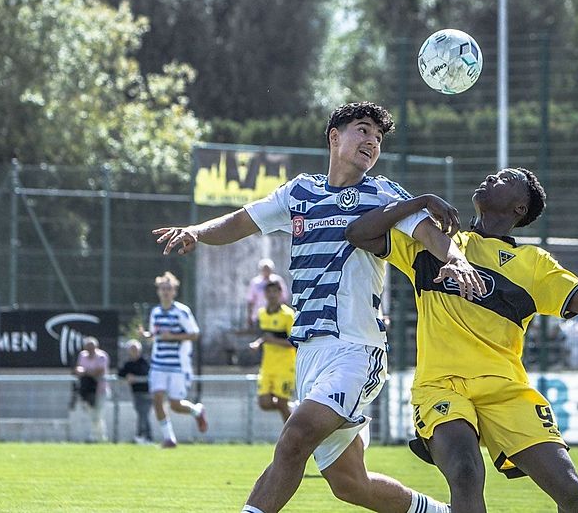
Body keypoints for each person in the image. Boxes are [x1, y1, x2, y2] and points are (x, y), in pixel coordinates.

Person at [154, 101, 485, 513]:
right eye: (363, 130)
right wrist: (196, 232)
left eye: (378, 138)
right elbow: (242, 220)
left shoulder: (380, 193)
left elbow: (427, 232)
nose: (372, 142)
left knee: (295, 438)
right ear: (334, 136)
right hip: (308, 353)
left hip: (356, 350)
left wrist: (456, 258)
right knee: (350, 484)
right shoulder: (300, 192)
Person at [347, 167, 578, 513]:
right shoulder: (436, 241)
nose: (491, 178)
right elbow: (358, 233)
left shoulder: (534, 264)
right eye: (495, 175)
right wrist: (419, 202)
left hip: (506, 390)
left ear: (519, 209)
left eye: (506, 179)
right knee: (466, 473)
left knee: (572, 494)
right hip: (441, 386)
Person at [146, 271, 208, 448]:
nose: (165, 292)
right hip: (158, 363)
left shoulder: (182, 311)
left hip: (177, 365)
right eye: (162, 289)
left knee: (175, 405)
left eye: (169, 289)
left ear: (174, 291)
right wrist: (148, 335)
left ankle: (197, 410)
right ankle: (169, 438)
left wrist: (172, 336)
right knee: (157, 399)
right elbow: (156, 334)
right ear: (158, 291)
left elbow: (195, 334)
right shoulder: (155, 312)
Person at [249, 281, 297, 422]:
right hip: (267, 365)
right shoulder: (262, 313)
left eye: (275, 291)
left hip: (285, 366)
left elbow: (294, 343)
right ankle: (293, 408)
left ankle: (290, 439)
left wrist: (272, 341)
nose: (272, 295)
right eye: (269, 292)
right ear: (264, 294)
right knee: (264, 403)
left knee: (282, 403)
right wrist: (257, 343)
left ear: (280, 293)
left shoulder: (288, 315)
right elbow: (265, 336)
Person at [73, 336, 110, 442]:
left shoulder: (102, 356)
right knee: (92, 414)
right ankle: (100, 436)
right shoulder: (82, 356)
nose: (90, 350)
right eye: (87, 347)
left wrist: (85, 372)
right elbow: (78, 369)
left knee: (98, 414)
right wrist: (85, 371)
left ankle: (97, 436)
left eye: (92, 347)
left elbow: (99, 371)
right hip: (87, 390)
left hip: (100, 390)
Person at [117, 339, 152, 444]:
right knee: (141, 414)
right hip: (136, 393)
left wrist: (135, 378)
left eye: (135, 349)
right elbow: (121, 373)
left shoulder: (144, 362)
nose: (133, 352)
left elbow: (147, 377)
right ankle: (143, 436)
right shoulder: (129, 364)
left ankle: (145, 436)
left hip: (147, 393)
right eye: (131, 350)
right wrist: (127, 376)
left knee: (143, 414)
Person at [246, 259, 289, 328]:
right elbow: (250, 300)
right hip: (259, 315)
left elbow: (284, 297)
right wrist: (249, 316)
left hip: (276, 314)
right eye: (264, 269)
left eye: (268, 269)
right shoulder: (255, 282)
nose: (266, 271)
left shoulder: (277, 280)